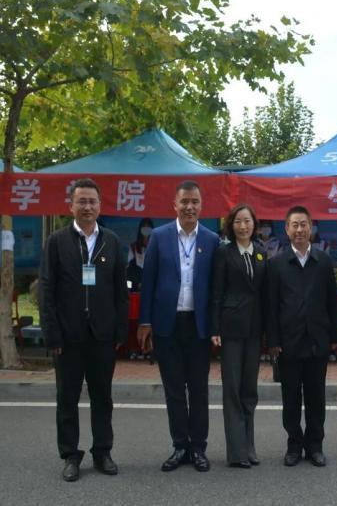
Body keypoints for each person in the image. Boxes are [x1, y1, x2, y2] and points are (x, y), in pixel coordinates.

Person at [39, 178, 128, 482]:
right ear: (71, 205)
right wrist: (52, 333)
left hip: (102, 336)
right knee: (67, 398)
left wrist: (120, 331)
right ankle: (70, 455)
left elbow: (120, 291)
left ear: (100, 206)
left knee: (103, 398)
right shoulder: (57, 242)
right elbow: (46, 290)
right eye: (82, 201)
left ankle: (102, 451)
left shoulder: (111, 241)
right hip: (68, 337)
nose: (87, 207)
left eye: (92, 201)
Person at [137, 180, 219, 472]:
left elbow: (216, 289)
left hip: (198, 325)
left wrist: (215, 326)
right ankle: (179, 446)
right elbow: (148, 282)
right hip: (167, 325)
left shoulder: (211, 239)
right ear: (175, 205)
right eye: (184, 202)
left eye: (194, 202)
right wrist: (145, 321)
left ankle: (198, 448)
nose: (189, 207)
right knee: (173, 390)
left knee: (198, 390)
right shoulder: (159, 237)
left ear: (201, 205)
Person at [266, 206, 337, 467]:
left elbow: (332, 302)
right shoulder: (276, 264)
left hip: (317, 340)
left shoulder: (323, 261)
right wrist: (273, 341)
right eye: (294, 225)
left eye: (304, 224)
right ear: (287, 230)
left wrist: (334, 336)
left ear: (311, 228)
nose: (299, 230)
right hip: (288, 342)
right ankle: (294, 445)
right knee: (291, 399)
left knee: (316, 397)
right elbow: (271, 306)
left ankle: (315, 445)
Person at [210, 203, 266, 469]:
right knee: (232, 389)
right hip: (231, 329)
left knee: (249, 390)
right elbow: (216, 293)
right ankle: (236, 451)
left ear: (254, 224)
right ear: (231, 226)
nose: (243, 226)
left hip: (254, 330)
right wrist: (214, 328)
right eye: (238, 222)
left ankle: (249, 446)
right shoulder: (224, 253)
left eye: (247, 221)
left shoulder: (261, 253)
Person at [127, 217, 154, 291]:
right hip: (136, 287)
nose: (146, 230)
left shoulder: (156, 247)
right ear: (140, 230)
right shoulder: (133, 247)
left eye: (148, 228)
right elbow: (129, 271)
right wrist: (137, 284)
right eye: (144, 227)